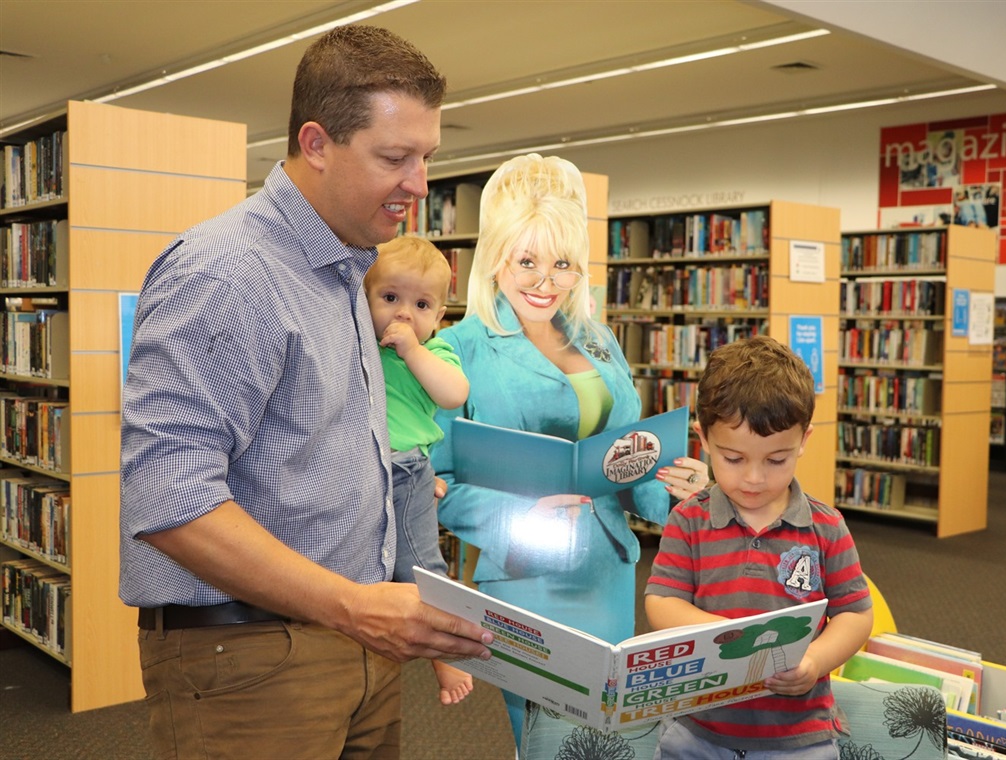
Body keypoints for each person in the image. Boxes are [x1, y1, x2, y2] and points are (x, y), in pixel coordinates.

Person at [119, 25, 492, 760]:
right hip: (255, 660)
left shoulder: (348, 269)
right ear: (317, 144)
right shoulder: (227, 272)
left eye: (427, 158)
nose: (420, 184)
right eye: (395, 158)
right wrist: (352, 606)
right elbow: (167, 498)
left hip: (358, 648)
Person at [430, 153, 709, 750]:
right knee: (546, 738)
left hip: (606, 571)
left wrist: (681, 492)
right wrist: (513, 518)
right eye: (526, 261)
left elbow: (630, 460)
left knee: (611, 735)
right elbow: (433, 481)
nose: (544, 282)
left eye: (562, 264)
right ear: (495, 258)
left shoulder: (598, 339)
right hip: (524, 571)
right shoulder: (458, 349)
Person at [645, 335, 874, 759]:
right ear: (704, 440)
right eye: (733, 459)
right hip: (698, 730)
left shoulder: (825, 527)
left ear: (804, 440)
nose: (753, 478)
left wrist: (815, 661)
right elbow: (662, 600)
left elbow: (855, 615)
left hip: (799, 736)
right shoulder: (690, 520)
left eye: (775, 460)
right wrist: (723, 637)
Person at [363, 235, 473, 705]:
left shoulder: (437, 352)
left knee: (420, 568)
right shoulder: (360, 346)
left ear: (439, 318)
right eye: (390, 298)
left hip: (405, 471)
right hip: (361, 469)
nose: (404, 314)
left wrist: (412, 351)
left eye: (421, 304)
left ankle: (446, 657)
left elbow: (453, 394)